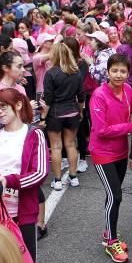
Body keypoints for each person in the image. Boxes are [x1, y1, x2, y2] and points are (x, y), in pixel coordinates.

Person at [0, 88, 49, 263]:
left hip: (22, 210)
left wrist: (7, 181)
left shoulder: (34, 134)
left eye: (3, 106)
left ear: (18, 105)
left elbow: (40, 173)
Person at [89, 54, 132, 263]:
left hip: (120, 151)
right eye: (114, 70)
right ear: (107, 72)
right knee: (115, 196)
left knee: (113, 195)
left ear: (128, 73)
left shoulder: (128, 90)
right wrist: (131, 127)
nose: (119, 75)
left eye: (123, 71)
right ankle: (111, 242)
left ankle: (109, 231)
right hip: (102, 153)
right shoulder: (99, 95)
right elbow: (102, 130)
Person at [42, 43, 84, 192]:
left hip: (55, 114)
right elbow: (81, 97)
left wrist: (42, 116)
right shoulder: (76, 72)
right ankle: (73, 177)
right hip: (72, 111)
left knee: (56, 147)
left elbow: (48, 99)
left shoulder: (51, 73)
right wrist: (80, 112)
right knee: (71, 145)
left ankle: (58, 180)